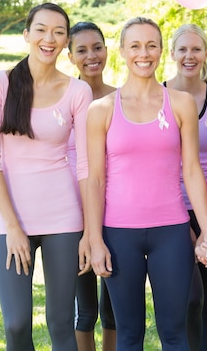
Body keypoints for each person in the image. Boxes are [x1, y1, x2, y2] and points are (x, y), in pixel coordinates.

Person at [86, 17, 207, 351]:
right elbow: (95, 180)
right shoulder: (101, 110)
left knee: (174, 333)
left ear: (161, 50)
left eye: (151, 45)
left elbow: (191, 170)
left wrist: (206, 230)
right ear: (122, 51)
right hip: (118, 235)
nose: (143, 53)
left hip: (171, 233)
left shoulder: (180, 103)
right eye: (135, 45)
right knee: (128, 334)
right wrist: (93, 238)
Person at [0, 2, 92, 351]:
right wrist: (13, 227)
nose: (49, 38)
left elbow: (85, 165)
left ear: (65, 43)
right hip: (13, 219)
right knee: (15, 324)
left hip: (64, 218)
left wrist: (90, 230)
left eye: (59, 32)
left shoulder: (77, 91)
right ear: (27, 34)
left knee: (61, 323)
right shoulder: (0, 83)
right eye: (41, 29)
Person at [164, 23, 207, 351]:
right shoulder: (157, 96)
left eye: (196, 49)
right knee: (187, 301)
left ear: (205, 53)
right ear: (172, 53)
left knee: (206, 302)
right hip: (168, 210)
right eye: (182, 49)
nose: (189, 56)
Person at [67, 21, 116, 351]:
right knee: (85, 311)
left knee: (113, 309)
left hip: (116, 213)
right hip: (73, 214)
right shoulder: (66, 99)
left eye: (97, 47)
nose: (91, 55)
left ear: (107, 50)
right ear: (70, 56)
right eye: (81, 50)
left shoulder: (121, 98)